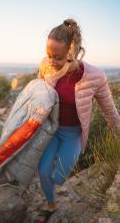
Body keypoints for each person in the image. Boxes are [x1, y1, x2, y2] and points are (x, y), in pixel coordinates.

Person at [36, 18, 120, 222]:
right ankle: (51, 204)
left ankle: (54, 191)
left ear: (72, 52)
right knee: (43, 171)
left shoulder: (95, 76)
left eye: (58, 57)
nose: (51, 61)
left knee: (60, 176)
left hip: (73, 134)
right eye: (48, 55)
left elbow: (109, 110)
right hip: (52, 130)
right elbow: (38, 93)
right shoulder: (47, 67)